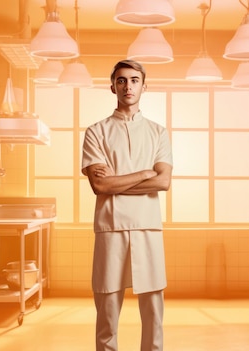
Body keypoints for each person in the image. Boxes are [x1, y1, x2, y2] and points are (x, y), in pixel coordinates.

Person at [81, 59, 173, 351]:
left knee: (153, 312)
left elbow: (163, 182)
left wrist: (120, 182)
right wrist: (146, 173)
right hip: (110, 227)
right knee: (107, 311)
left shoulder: (158, 132)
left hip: (148, 226)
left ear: (144, 87)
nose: (128, 86)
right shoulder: (96, 132)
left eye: (134, 80)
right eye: (122, 80)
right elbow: (100, 186)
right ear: (113, 87)